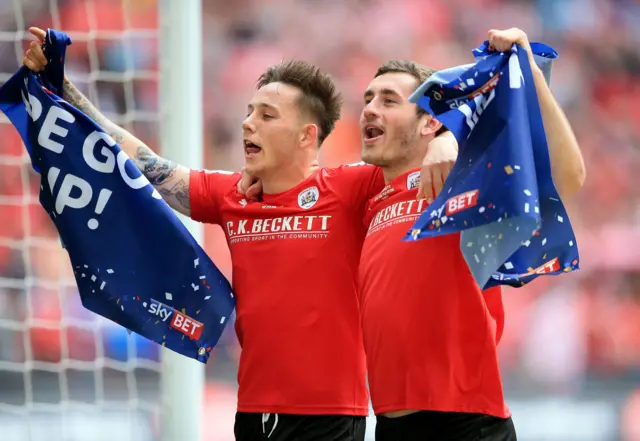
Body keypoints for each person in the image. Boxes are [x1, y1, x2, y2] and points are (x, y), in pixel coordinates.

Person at [22, 27, 456, 441]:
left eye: (267, 115)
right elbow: (146, 164)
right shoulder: (233, 197)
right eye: (249, 112)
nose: (248, 123)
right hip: (251, 413)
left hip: (330, 418)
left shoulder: (352, 187)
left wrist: (444, 138)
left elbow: (418, 147)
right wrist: (64, 90)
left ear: (308, 136)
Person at [357, 28, 586, 441]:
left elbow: (567, 177)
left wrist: (529, 71)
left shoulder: (465, 181)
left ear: (429, 120)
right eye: (368, 99)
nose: (370, 109)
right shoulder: (367, 194)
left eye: (389, 100)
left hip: (465, 423)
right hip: (391, 427)